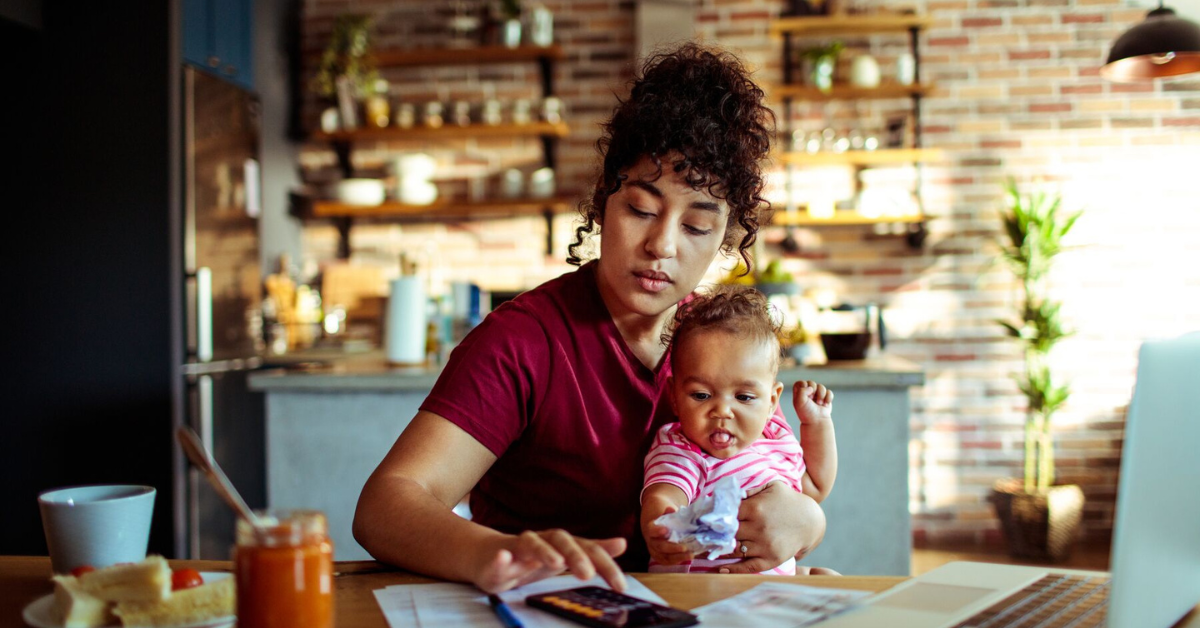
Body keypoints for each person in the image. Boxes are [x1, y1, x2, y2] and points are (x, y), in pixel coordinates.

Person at [353, 42, 828, 594]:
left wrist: (807, 523)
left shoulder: (721, 342)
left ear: (727, 236)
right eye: (641, 210)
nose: (661, 245)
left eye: (697, 227)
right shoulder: (524, 341)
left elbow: (778, 478)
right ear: (603, 201)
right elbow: (386, 506)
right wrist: (494, 552)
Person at [640, 286, 837, 575]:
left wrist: (817, 424)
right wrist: (660, 522)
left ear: (771, 401)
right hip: (706, 591)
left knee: (829, 579)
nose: (722, 411)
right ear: (674, 397)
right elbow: (665, 493)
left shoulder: (775, 440)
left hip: (769, 589)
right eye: (701, 395)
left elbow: (815, 488)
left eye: (743, 397)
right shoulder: (682, 448)